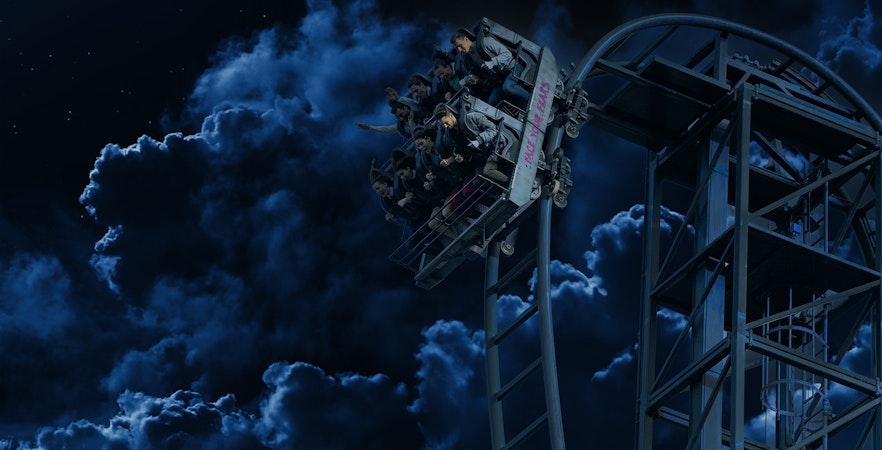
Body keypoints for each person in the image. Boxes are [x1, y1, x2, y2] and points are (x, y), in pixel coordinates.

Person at [450, 27, 530, 108]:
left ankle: (530, 101)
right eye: (457, 48)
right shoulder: (467, 58)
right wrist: (476, 80)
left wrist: (493, 62)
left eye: (460, 45)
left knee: (508, 87)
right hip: (499, 79)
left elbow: (507, 54)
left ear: (466, 39)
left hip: (513, 67)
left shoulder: (485, 42)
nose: (459, 50)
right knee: (492, 101)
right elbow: (482, 75)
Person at [433, 102, 509, 186]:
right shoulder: (452, 134)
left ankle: (510, 183)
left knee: (488, 171)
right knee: (477, 181)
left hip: (497, 146)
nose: (445, 126)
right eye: (443, 125)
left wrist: (479, 140)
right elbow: (461, 148)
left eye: (446, 122)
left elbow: (493, 130)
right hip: (485, 155)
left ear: (451, 115)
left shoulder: (471, 117)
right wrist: (460, 156)